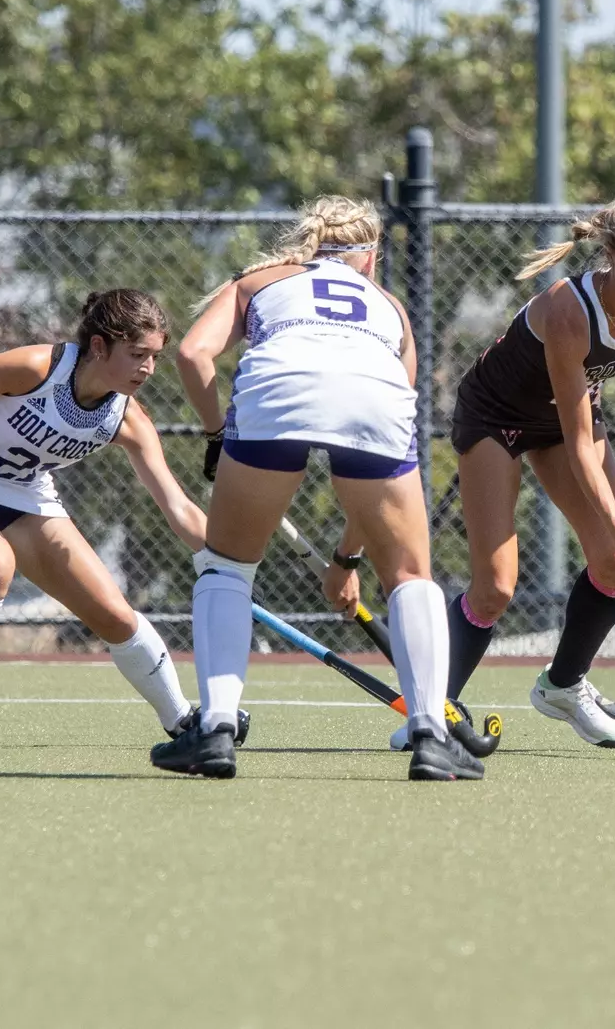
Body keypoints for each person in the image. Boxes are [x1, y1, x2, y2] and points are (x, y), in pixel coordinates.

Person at [156, 195, 480, 781]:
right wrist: (347, 557)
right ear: (370, 257)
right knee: (409, 575)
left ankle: (216, 731)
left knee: (227, 568)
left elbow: (192, 353)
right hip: (376, 401)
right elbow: (383, 440)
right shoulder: (390, 307)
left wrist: (216, 433)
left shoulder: (258, 281)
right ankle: (431, 736)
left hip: (273, 396)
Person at [0, 289, 233, 748]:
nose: (148, 369)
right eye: (137, 354)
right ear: (99, 346)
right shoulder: (37, 368)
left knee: (115, 615)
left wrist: (228, 567)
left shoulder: (127, 418)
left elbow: (178, 508)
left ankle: (184, 722)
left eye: (155, 357)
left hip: (24, 493)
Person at [429, 190, 615, 749]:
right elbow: (581, 445)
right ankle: (430, 709)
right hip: (496, 418)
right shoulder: (570, 311)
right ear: (610, 253)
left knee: (614, 566)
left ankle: (562, 687)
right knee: (495, 588)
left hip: (564, 419)